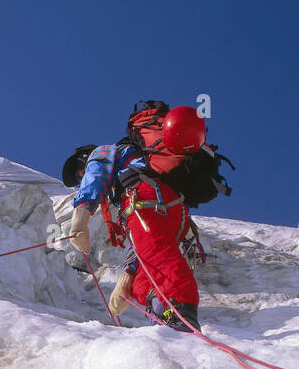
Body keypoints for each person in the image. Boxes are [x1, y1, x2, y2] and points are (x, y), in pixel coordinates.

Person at [67, 111, 201, 331]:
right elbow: (144, 246)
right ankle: (164, 321)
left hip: (146, 196)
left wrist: (81, 216)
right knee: (144, 277)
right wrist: (128, 275)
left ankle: (179, 321)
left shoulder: (103, 153)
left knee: (160, 258)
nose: (80, 176)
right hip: (172, 209)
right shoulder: (139, 158)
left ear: (84, 157)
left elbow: (95, 178)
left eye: (79, 171)